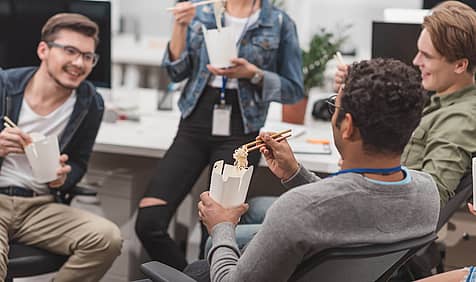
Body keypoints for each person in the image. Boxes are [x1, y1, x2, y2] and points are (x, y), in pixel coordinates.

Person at [194, 58, 440, 281]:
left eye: (335, 105)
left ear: (348, 126)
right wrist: (294, 173)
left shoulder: (295, 209)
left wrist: (222, 226)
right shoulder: (427, 195)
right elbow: (347, 205)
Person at [135, 0, 304, 271]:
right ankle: (188, 277)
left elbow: (294, 90)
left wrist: (253, 74)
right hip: (194, 123)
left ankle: (203, 274)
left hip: (242, 132)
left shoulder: (280, 22)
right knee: (149, 222)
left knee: (215, 233)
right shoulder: (201, 13)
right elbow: (175, 72)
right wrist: (180, 25)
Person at [0, 13, 122, 281]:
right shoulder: (4, 85)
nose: (79, 63)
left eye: (88, 56)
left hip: (39, 207)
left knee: (107, 238)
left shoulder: (90, 103)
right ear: (43, 50)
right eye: (70, 51)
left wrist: (63, 178)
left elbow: (79, 162)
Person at [335, 0, 476, 206]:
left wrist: (370, 172)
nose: (416, 61)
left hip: (384, 219)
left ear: (460, 65)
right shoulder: (440, 100)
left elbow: (431, 198)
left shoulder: (460, 119)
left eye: (427, 56)